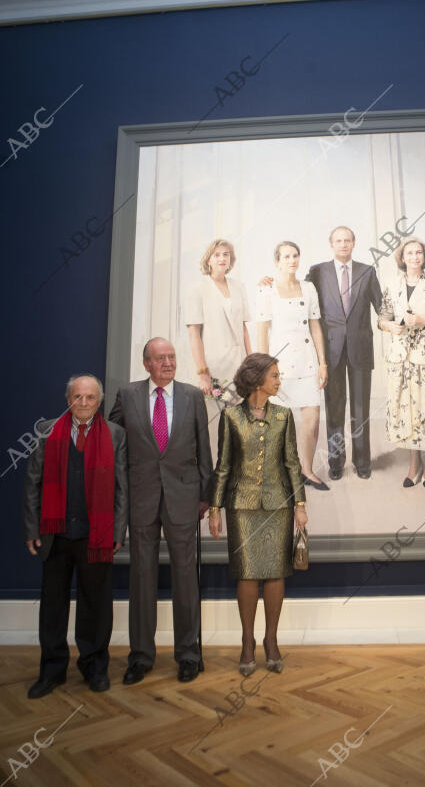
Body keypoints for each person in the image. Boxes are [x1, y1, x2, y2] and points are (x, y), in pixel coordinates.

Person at [109, 337, 213, 684]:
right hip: (142, 498)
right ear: (146, 364)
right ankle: (140, 656)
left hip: (184, 498)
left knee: (186, 577)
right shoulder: (127, 396)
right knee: (142, 577)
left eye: (171, 356)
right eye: (160, 358)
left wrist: (206, 495)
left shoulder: (193, 396)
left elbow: (203, 448)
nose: (168, 363)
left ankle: (188, 654)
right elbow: (111, 440)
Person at [22, 374, 128, 698]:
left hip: (96, 535)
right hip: (54, 535)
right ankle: (52, 671)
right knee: (53, 606)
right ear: (68, 398)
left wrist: (117, 530)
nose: (83, 403)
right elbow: (32, 485)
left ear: (100, 401)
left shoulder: (115, 434)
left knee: (95, 606)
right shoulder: (46, 431)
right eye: (77, 397)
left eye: (90, 398)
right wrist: (32, 529)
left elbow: (122, 489)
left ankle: (94, 667)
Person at [208, 353, 307, 676]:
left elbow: (292, 463)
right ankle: (247, 642)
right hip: (242, 506)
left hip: (278, 505)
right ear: (256, 380)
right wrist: (214, 509)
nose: (279, 381)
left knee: (276, 573)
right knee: (247, 574)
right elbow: (223, 466)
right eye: (274, 376)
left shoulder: (284, 416)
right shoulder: (231, 417)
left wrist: (300, 506)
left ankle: (272, 640)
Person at [378, 237, 425, 487]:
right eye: (409, 253)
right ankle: (414, 465)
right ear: (402, 258)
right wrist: (389, 326)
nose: (414, 256)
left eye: (419, 252)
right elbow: (382, 318)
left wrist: (424, 321)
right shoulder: (391, 284)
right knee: (407, 411)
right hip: (400, 359)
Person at [307, 226, 382, 480]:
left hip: (361, 349)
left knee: (360, 408)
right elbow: (300, 296)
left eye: (347, 240)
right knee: (335, 408)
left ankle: (363, 462)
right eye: (338, 240)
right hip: (331, 350)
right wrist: (272, 282)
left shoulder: (367, 271)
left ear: (354, 243)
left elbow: (383, 307)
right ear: (331, 244)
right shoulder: (318, 272)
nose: (343, 244)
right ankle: (336, 462)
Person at [256, 241, 328, 491]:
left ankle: (307, 470)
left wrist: (322, 363)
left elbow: (315, 326)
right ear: (277, 261)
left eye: (295, 255)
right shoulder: (267, 291)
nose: (292, 260)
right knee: (278, 423)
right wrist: (264, 368)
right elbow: (262, 331)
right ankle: (280, 474)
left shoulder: (308, 288)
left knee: (313, 417)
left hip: (307, 361)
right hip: (279, 365)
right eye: (286, 256)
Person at [185, 238, 251, 405]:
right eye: (217, 255)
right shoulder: (198, 289)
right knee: (214, 421)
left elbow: (243, 329)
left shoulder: (239, 287)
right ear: (209, 260)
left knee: (238, 421)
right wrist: (203, 373)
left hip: (239, 366)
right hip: (213, 368)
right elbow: (194, 335)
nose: (222, 258)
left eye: (226, 255)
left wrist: (251, 363)